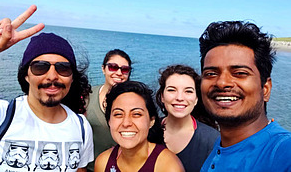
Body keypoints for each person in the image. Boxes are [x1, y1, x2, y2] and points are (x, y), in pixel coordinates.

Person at [0, 5, 94, 171]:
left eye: (63, 68)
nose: (52, 76)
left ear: (72, 77)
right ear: (26, 75)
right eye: (41, 67)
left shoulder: (81, 128)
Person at [199, 21, 291, 171]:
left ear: (266, 88)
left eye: (240, 73)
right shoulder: (221, 146)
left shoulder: (283, 152)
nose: (222, 83)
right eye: (211, 74)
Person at [94, 81, 185, 172]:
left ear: (151, 121)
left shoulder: (167, 166)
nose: (126, 123)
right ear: (109, 121)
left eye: (136, 114)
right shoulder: (103, 162)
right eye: (118, 114)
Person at [155, 64, 219, 172]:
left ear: (196, 99)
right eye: (172, 90)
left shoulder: (213, 140)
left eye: (188, 91)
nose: (179, 97)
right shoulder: (146, 131)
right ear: (162, 96)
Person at [86, 49, 132, 171]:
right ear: (103, 69)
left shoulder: (134, 102)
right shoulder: (87, 96)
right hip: (89, 167)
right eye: (113, 67)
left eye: (124, 69)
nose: (119, 72)